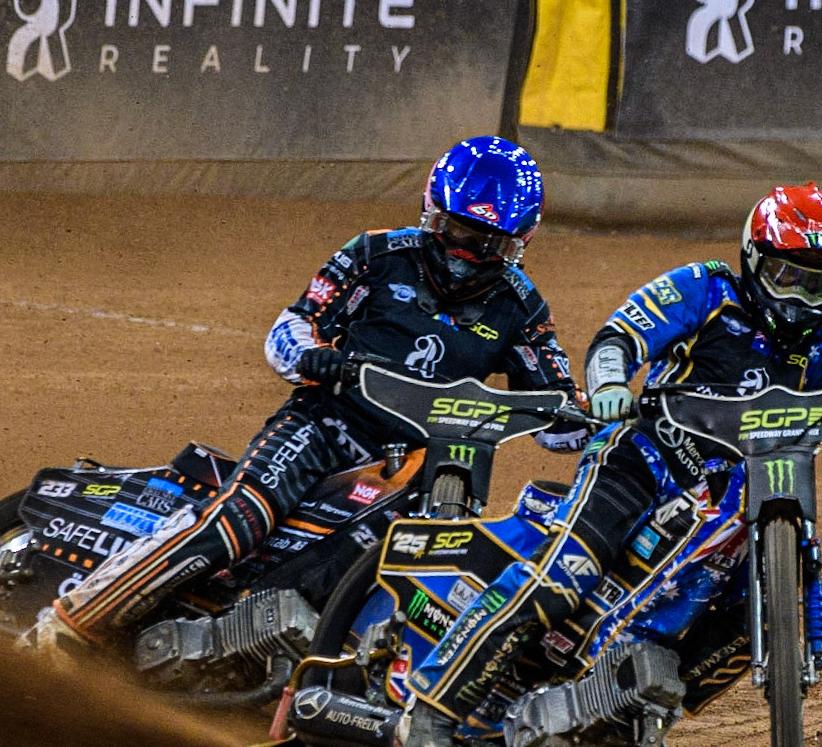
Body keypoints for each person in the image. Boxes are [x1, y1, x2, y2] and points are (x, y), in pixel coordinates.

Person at [398, 182, 822, 747]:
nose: (797, 298)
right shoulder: (706, 289)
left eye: (816, 285)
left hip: (730, 502)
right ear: (753, 257)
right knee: (562, 577)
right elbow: (620, 337)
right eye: (783, 274)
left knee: (750, 622)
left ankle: (634, 715)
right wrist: (612, 383)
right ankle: (430, 711)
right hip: (640, 463)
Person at [35, 136, 586, 652]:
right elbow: (291, 326)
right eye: (454, 229)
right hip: (324, 424)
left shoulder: (523, 307)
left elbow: (557, 407)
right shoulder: (375, 254)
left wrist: (595, 416)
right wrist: (309, 355)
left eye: (486, 241)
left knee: (415, 565)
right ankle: (73, 624)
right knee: (241, 518)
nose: (464, 251)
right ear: (430, 211)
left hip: (419, 464)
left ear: (520, 241)